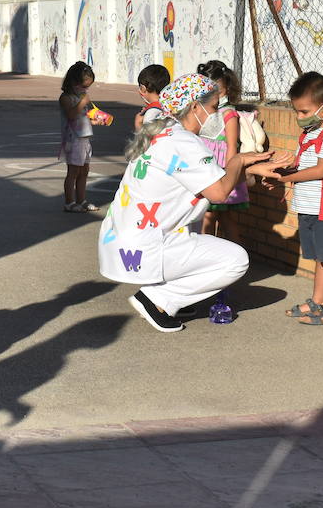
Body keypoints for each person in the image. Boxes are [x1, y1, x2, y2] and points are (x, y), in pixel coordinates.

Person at [97, 72, 271, 333]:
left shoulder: (163, 132)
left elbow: (209, 182)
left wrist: (253, 171)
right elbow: (219, 194)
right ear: (194, 107)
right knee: (236, 260)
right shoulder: (184, 142)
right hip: (145, 246)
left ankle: (169, 298)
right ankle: (157, 300)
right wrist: (241, 161)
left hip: (122, 240)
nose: (215, 115)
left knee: (194, 226)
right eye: (212, 107)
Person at [251, 71, 323, 325]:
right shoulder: (309, 135)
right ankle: (318, 301)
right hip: (307, 208)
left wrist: (285, 179)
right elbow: (300, 165)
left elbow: (321, 170)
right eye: (297, 111)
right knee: (318, 259)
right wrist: (278, 173)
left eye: (304, 112)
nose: (299, 117)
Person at [195, 60, 247, 237]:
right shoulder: (207, 111)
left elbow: (231, 146)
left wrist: (227, 176)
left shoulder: (228, 113)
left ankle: (221, 257)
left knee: (214, 217)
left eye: (217, 88)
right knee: (215, 217)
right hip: (208, 168)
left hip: (220, 171)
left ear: (227, 86)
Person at [59, 61, 99, 212]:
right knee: (73, 172)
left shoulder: (80, 97)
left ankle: (82, 200)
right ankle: (69, 202)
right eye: (84, 86)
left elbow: (82, 116)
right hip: (73, 140)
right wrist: (82, 102)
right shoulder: (66, 98)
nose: (86, 89)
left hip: (84, 139)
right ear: (73, 82)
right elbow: (71, 114)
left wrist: (93, 120)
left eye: (88, 86)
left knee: (84, 171)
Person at [134, 63, 170, 130]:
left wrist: (138, 124)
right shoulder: (170, 105)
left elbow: (148, 138)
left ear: (143, 88)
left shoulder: (151, 113)